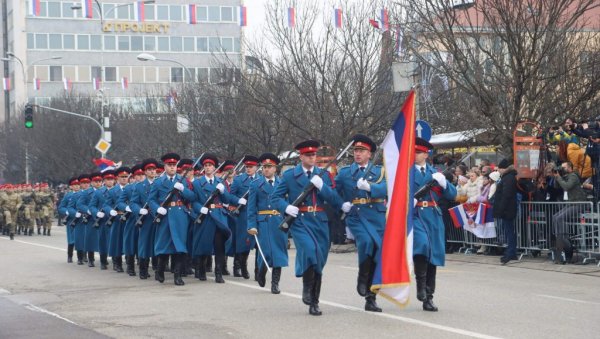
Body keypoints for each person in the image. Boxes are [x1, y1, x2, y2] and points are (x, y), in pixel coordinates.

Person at [270, 139, 344, 316]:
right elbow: (275, 198)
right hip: (301, 221)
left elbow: (334, 199)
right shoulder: (290, 176)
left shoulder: (324, 175)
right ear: (301, 157)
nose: (312, 158)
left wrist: (322, 186)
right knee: (310, 251)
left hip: (320, 220)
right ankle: (306, 287)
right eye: (308, 155)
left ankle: (315, 301)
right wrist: (286, 207)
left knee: (319, 260)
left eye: (314, 155)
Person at [334, 134, 387, 312]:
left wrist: (371, 188)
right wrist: (342, 204)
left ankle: (371, 297)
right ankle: (362, 276)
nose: (358, 153)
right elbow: (334, 192)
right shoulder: (345, 172)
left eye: (362, 150)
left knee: (379, 253)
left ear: (369, 154)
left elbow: (388, 187)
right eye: (356, 150)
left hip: (377, 217)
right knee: (366, 242)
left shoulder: (380, 171)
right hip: (357, 215)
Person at [412, 137, 457, 312]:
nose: (414, 155)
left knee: (433, 255)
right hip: (415, 215)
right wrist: (410, 200)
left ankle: (429, 296)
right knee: (422, 246)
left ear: (426, 154)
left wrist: (445, 183)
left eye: (418, 152)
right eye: (413, 152)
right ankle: (420, 287)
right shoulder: (406, 172)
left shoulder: (435, 172)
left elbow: (452, 195)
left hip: (434, 216)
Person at [189, 154, 240, 283]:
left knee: (219, 245)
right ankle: (201, 269)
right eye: (205, 166)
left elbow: (227, 200)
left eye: (210, 165)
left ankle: (218, 272)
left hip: (218, 215)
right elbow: (193, 201)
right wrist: (200, 208)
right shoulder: (197, 183)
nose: (208, 168)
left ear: (215, 168)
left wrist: (223, 191)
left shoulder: (220, 183)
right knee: (204, 244)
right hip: (206, 216)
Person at [148, 153, 196, 286]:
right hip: (165, 216)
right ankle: (160, 270)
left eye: (174, 165)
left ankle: (177, 275)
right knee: (164, 247)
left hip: (180, 215)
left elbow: (192, 197)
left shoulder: (183, 181)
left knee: (180, 247)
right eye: (169, 165)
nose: (172, 167)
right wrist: (157, 209)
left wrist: (183, 190)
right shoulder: (158, 182)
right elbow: (151, 200)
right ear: (165, 166)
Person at [247, 152, 289, 294]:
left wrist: (289, 222)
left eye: (269, 166)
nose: (266, 169)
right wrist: (251, 225)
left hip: (278, 221)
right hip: (263, 222)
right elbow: (251, 207)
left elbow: (286, 203)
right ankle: (261, 271)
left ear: (275, 168)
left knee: (278, 253)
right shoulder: (255, 184)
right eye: (264, 167)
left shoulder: (282, 183)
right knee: (265, 252)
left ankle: (275, 283)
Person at [551, 161, 588, 264]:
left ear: (569, 168)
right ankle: (559, 238)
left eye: (563, 167)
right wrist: (556, 176)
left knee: (559, 218)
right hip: (571, 204)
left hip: (579, 204)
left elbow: (566, 187)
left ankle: (563, 238)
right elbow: (557, 187)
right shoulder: (566, 176)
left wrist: (559, 177)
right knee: (555, 217)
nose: (562, 169)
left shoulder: (573, 176)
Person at [229, 155, 259, 279]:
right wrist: (239, 200)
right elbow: (230, 195)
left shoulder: (260, 179)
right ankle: (240, 266)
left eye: (251, 167)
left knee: (258, 244)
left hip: (258, 215)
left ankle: (258, 270)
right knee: (243, 243)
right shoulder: (239, 180)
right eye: (247, 167)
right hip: (243, 215)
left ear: (256, 168)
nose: (248, 169)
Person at [130, 158, 159, 280]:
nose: (152, 171)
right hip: (146, 218)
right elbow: (133, 203)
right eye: (149, 170)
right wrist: (139, 210)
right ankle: (143, 269)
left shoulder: (160, 183)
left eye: (153, 169)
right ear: (145, 172)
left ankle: (159, 270)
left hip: (158, 218)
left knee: (158, 243)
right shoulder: (139, 186)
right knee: (145, 245)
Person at [493, 159, 519, 264]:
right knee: (509, 231)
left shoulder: (508, 178)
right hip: (508, 208)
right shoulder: (508, 177)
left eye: (499, 169)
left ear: (503, 169)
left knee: (509, 231)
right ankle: (512, 253)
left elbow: (506, 195)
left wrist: (501, 208)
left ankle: (510, 252)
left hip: (507, 209)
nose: (498, 172)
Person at [58, 177, 80, 261]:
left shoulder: (83, 194)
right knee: (71, 239)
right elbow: (61, 207)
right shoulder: (68, 195)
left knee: (81, 238)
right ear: (71, 186)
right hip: (71, 219)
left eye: (78, 184)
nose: (77, 186)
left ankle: (81, 257)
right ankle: (70, 256)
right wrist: (67, 212)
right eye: (75, 185)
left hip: (81, 219)